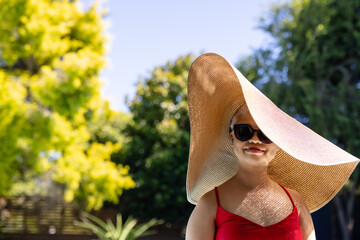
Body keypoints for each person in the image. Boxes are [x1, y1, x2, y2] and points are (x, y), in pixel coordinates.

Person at [185, 53, 359, 240]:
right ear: (232, 138)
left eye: (266, 134)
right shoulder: (210, 204)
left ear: (278, 145)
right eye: (244, 131)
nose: (255, 140)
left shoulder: (297, 203)